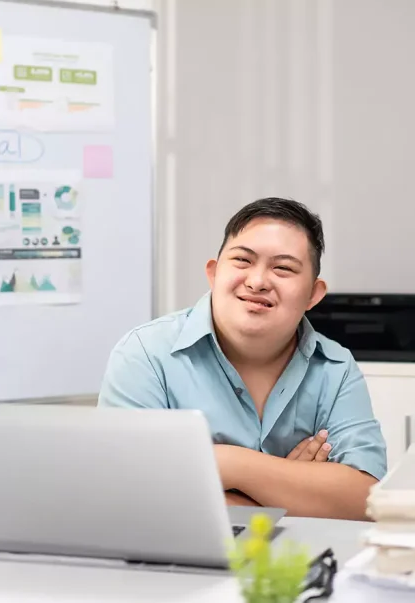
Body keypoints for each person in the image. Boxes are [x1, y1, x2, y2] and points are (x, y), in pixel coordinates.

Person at [97, 197, 387, 521]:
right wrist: (291, 489)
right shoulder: (146, 354)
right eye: (242, 261)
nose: (258, 281)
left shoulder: (335, 368)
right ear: (213, 273)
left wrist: (229, 464)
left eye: (283, 268)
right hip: (176, 565)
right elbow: (127, 494)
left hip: (297, 564)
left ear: (313, 295)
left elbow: (365, 499)